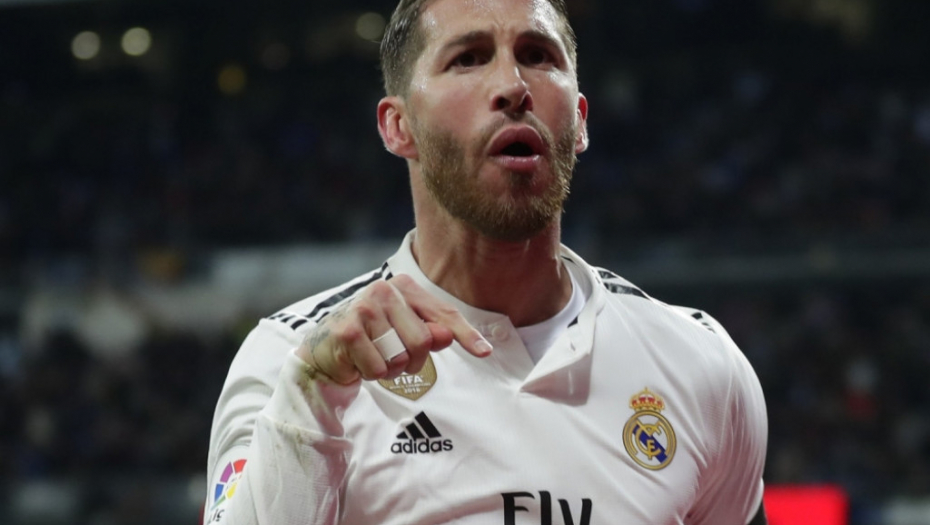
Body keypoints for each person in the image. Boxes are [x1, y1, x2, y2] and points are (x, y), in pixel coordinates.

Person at [204, 0, 769, 523]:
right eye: (468, 59)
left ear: (580, 120)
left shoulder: (701, 365)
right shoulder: (291, 361)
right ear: (399, 126)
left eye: (537, 56)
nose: (512, 86)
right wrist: (313, 390)